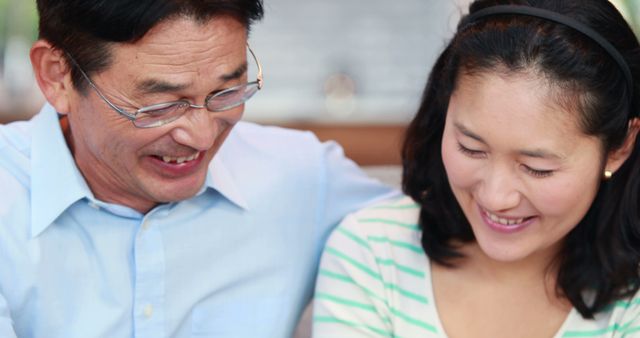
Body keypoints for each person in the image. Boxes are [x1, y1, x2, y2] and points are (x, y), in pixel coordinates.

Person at [0, 1, 397, 337]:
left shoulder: (303, 176)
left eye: (226, 92)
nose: (202, 137)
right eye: (161, 105)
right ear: (57, 76)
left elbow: (441, 233)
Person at [312, 0, 640, 337]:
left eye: (536, 168)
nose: (496, 197)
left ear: (619, 148)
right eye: (471, 148)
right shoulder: (373, 253)